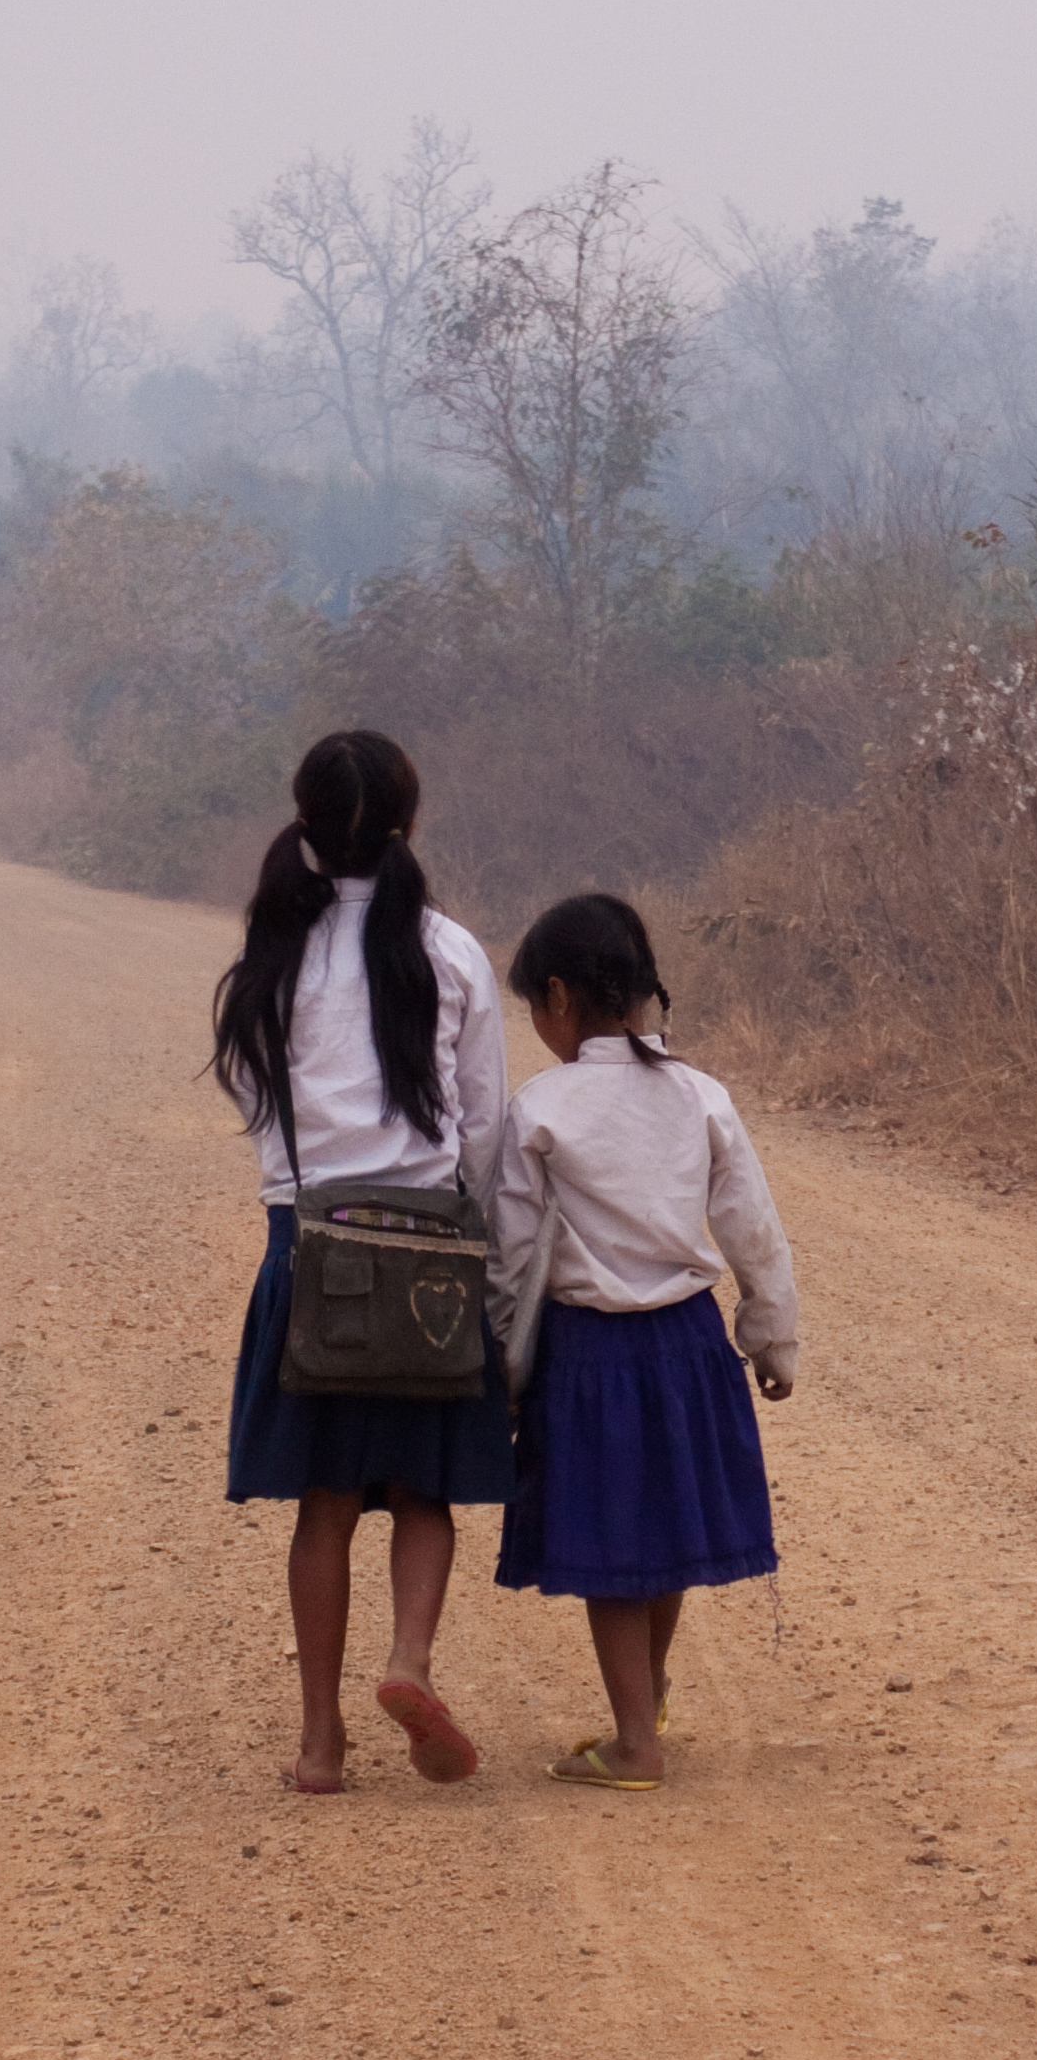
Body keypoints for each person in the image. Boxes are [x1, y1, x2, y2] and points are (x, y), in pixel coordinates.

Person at [211, 731, 514, 1794]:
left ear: (302, 822)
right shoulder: (453, 951)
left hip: (312, 1245)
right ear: (408, 823)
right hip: (429, 1243)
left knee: (327, 1500)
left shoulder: (269, 958)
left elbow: (255, 1106)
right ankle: (410, 1661)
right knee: (422, 1489)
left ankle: (318, 1742)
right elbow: (484, 1126)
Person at [486, 891, 799, 1792]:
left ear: (556, 996)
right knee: (665, 1528)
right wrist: (771, 1338)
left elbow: (513, 1257)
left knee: (611, 1549)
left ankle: (635, 1743)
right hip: (692, 1347)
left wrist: (505, 1365)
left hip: (590, 1355)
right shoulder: (702, 1095)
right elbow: (752, 1227)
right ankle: (647, 1695)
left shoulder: (540, 1107)